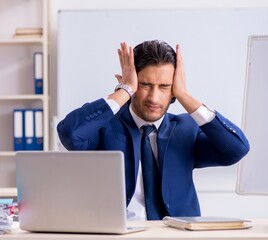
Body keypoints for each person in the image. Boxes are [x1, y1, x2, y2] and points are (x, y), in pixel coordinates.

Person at [57, 40, 250, 221]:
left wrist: (184, 95)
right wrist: (124, 91)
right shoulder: (105, 126)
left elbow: (236, 149)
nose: (154, 98)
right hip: (119, 234)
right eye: (144, 85)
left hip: (176, 235)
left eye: (165, 87)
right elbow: (71, 134)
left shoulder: (186, 129)